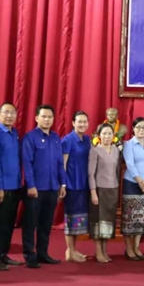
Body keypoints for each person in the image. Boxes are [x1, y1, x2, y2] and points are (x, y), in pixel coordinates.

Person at [22, 105, 67, 269]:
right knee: (30, 222)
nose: (47, 120)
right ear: (36, 118)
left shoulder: (55, 138)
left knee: (46, 223)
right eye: (44, 116)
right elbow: (27, 163)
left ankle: (43, 253)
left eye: (50, 117)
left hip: (52, 187)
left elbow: (60, 163)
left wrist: (62, 183)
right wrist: (31, 185)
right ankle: (29, 255)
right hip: (36, 188)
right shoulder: (30, 137)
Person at [0, 102, 24, 270]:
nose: (9, 116)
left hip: (15, 186)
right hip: (1, 187)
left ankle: (3, 254)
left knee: (8, 223)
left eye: (12, 113)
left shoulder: (15, 133)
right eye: (6, 112)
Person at [122, 117, 144, 260]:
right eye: (138, 127)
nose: (141, 130)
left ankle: (136, 247)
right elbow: (130, 164)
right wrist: (141, 182)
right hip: (132, 183)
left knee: (140, 217)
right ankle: (129, 248)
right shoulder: (128, 144)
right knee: (129, 217)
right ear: (133, 129)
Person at [88, 123, 121, 263]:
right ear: (98, 136)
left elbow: (117, 171)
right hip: (99, 189)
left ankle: (105, 251)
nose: (107, 136)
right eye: (104, 133)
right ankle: (98, 252)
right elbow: (91, 174)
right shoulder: (95, 151)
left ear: (113, 136)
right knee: (98, 222)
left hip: (113, 189)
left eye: (109, 133)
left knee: (108, 222)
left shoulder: (116, 150)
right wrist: (93, 192)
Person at [61, 111, 91, 263]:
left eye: (85, 121)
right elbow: (63, 164)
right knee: (70, 218)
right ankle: (70, 250)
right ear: (73, 123)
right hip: (71, 184)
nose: (82, 124)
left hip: (83, 184)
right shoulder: (67, 140)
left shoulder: (87, 139)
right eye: (79, 121)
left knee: (77, 220)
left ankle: (72, 250)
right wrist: (63, 184)